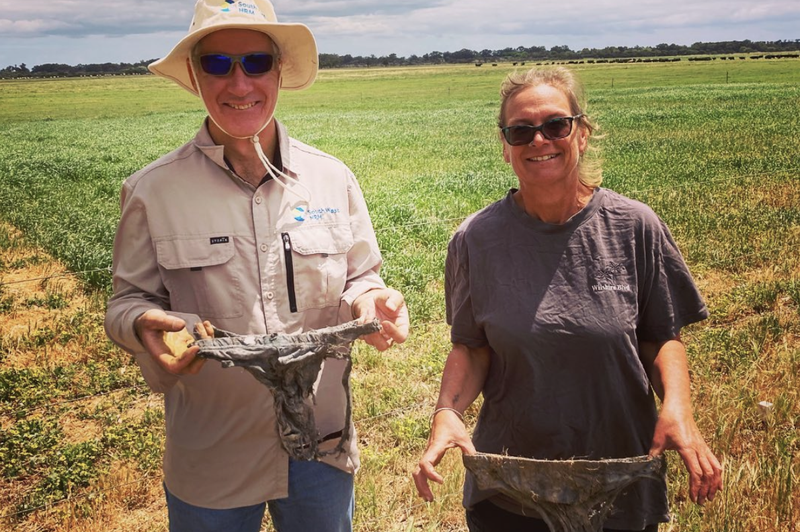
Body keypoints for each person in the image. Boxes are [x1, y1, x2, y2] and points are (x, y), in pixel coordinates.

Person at [104, 1, 408, 531]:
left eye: (256, 62)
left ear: (279, 70)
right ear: (197, 76)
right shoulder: (152, 191)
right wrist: (138, 326)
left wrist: (370, 301)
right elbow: (127, 301)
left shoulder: (332, 179)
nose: (239, 83)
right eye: (218, 65)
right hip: (211, 450)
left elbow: (363, 276)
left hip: (321, 444)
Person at [412, 67, 722, 532]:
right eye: (521, 131)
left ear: (582, 133)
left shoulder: (634, 226)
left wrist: (677, 406)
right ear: (505, 146)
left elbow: (663, 337)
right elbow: (472, 347)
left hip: (617, 479)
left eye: (555, 125)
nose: (539, 140)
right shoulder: (475, 239)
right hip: (511, 485)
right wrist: (447, 412)